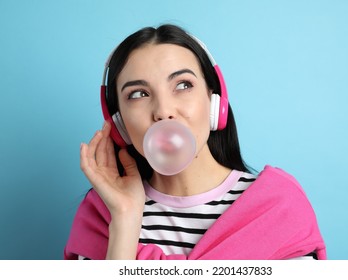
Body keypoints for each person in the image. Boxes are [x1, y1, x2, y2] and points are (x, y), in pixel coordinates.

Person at [64, 24, 326, 260]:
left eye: (182, 85)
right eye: (139, 93)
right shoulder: (102, 217)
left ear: (215, 102)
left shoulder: (278, 208)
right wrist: (124, 218)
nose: (163, 111)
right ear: (119, 123)